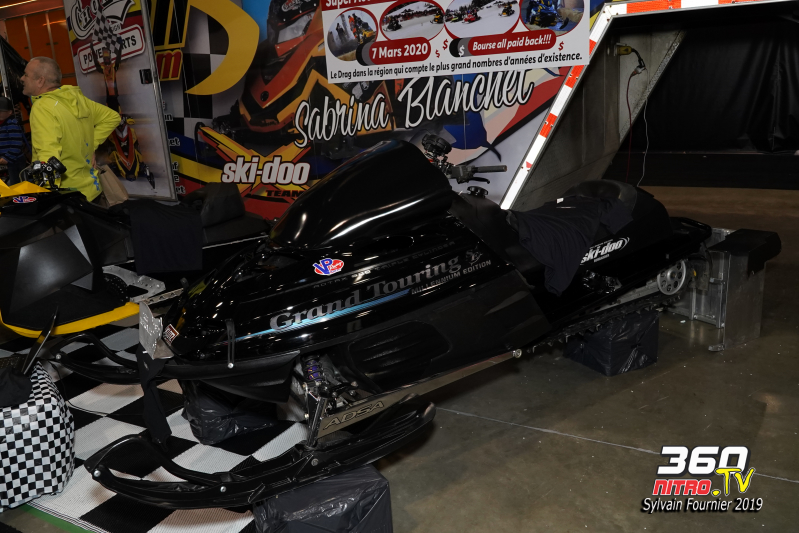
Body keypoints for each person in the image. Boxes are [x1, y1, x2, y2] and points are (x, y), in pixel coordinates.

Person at [21, 56, 120, 202]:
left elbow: (48, 155)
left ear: (40, 81)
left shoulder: (42, 107)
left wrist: (46, 195)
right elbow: (113, 117)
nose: (22, 78)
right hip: (92, 190)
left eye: (26, 75)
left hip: (68, 197)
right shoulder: (78, 99)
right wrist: (91, 146)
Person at [0, 97, 28, 185]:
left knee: (17, 183)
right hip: (9, 159)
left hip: (16, 160)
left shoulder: (11, 123)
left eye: (1, 112)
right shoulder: (2, 124)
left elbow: (17, 144)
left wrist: (7, 157)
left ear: (9, 112)